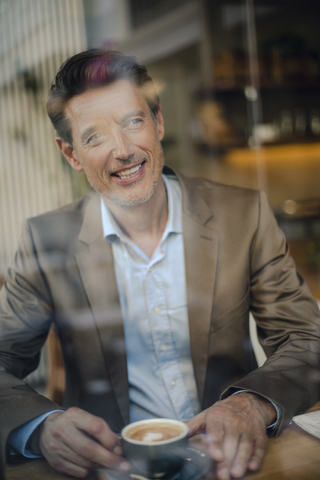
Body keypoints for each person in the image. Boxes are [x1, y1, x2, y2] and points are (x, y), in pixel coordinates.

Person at [0, 50, 319, 480]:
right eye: (94, 137)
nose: (124, 150)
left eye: (134, 121)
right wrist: (42, 428)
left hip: (232, 460)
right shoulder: (45, 240)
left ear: (159, 122)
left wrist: (252, 402)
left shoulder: (244, 215)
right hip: (108, 468)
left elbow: (306, 338)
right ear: (71, 153)